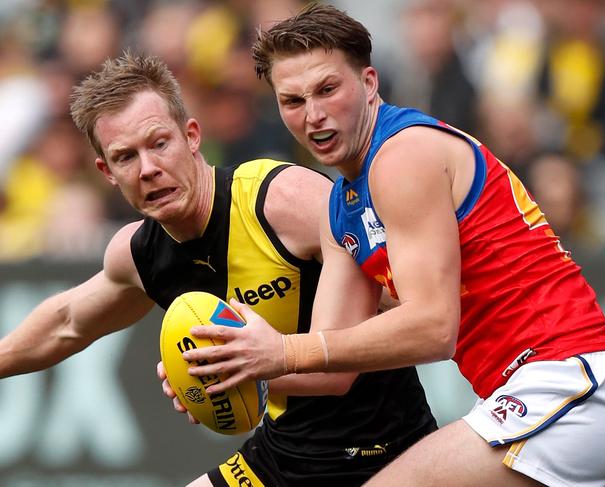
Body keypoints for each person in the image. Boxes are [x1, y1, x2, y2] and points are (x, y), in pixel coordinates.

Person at [181, 4, 605, 486]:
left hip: (568, 383)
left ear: (370, 82)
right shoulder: (341, 210)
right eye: (292, 101)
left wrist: (282, 352)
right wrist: (228, 369)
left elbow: (433, 327)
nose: (313, 115)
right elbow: (331, 372)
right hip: (535, 395)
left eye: (328, 89)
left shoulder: (403, 155)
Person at [0, 51, 437, 486]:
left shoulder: (282, 201)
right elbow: (66, 323)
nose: (149, 169)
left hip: (386, 451)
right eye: (126, 157)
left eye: (159, 143)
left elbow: (406, 314)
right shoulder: (140, 254)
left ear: (191, 136)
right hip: (280, 456)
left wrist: (250, 364)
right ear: (107, 172)